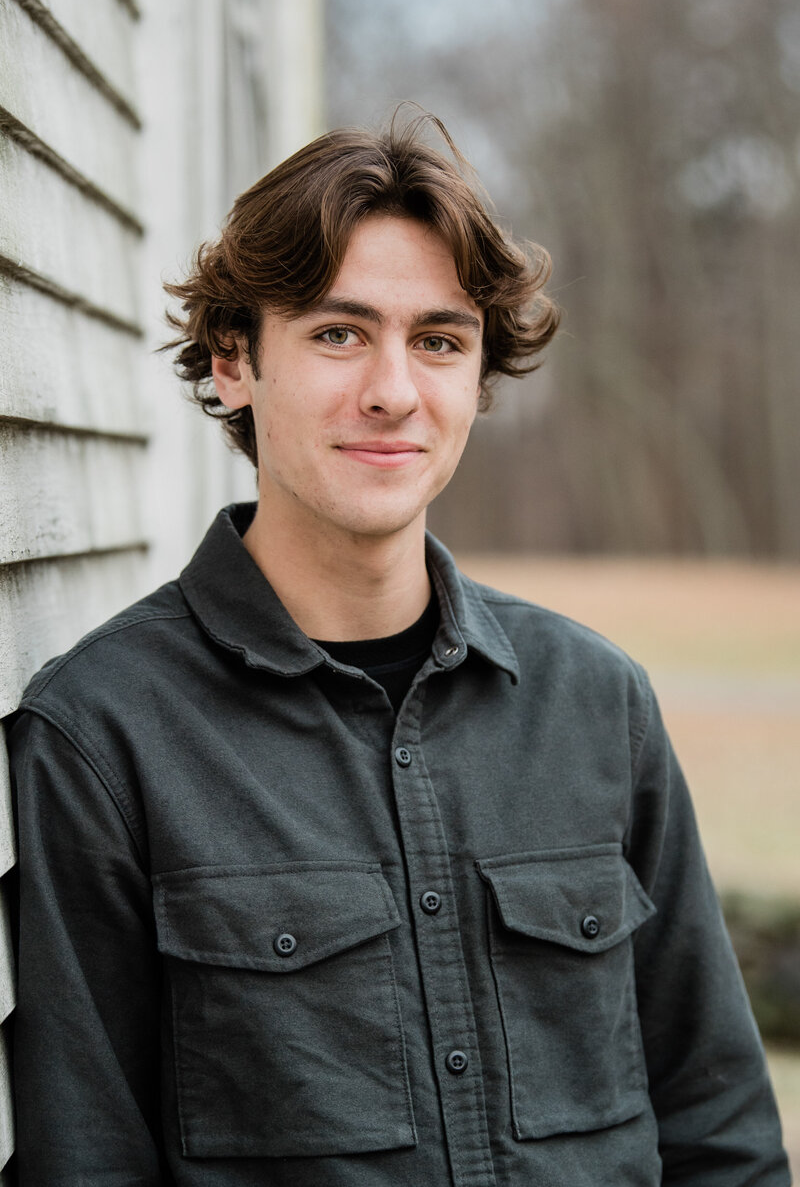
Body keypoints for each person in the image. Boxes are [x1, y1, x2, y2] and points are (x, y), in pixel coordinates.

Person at [8, 113, 790, 1186]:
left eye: (437, 340)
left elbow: (721, 1131)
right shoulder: (103, 732)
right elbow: (86, 1161)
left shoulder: (595, 701)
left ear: (477, 376)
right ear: (235, 361)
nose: (393, 390)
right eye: (337, 333)